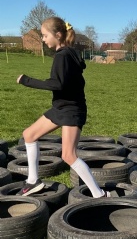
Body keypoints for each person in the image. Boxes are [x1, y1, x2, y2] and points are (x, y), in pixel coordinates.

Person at [16, 16, 109, 198]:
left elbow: (57, 84)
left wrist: (27, 80)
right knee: (29, 135)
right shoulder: (69, 53)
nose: (43, 39)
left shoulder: (63, 56)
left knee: (68, 155)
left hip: (71, 110)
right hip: (61, 107)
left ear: (58, 35)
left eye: (45, 35)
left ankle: (99, 195)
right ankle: (33, 181)